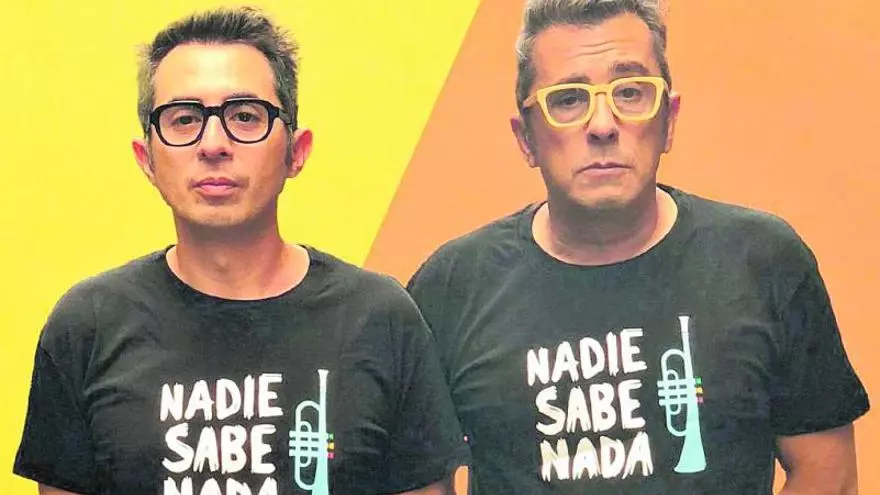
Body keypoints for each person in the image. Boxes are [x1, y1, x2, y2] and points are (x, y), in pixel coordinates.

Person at [406, 0, 870, 493]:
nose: (602, 125)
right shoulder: (450, 287)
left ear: (669, 120)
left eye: (630, 93)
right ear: (526, 139)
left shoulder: (766, 262)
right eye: (568, 99)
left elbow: (830, 476)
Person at [13, 7, 468, 495]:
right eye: (184, 119)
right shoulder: (87, 326)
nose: (213, 144)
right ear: (146, 158)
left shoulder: (380, 319)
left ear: (297, 151)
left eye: (245, 117)